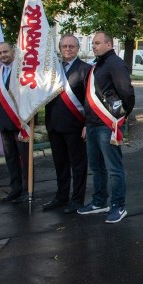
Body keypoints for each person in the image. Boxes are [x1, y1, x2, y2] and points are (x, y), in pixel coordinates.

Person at [78, 32, 135, 224]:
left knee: (114, 168)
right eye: (93, 43)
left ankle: (118, 206)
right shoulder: (98, 65)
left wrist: (121, 117)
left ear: (109, 44)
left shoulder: (115, 63)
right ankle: (99, 202)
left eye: (97, 43)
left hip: (107, 123)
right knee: (96, 166)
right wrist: (87, 123)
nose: (93, 46)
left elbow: (126, 92)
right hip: (93, 124)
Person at [42, 35, 89, 214]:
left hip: (76, 126)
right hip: (54, 125)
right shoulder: (53, 70)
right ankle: (61, 197)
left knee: (78, 165)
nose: (67, 49)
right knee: (60, 164)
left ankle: (77, 200)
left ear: (77, 49)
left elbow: (90, 101)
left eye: (71, 46)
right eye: (64, 46)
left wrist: (87, 124)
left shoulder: (86, 70)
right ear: (59, 48)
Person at [0, 41, 29, 203]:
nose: (3, 55)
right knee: (11, 158)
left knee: (25, 159)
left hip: (21, 124)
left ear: (12, 51)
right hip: (4, 124)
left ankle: (28, 190)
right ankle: (15, 189)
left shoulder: (23, 71)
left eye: (5, 52)